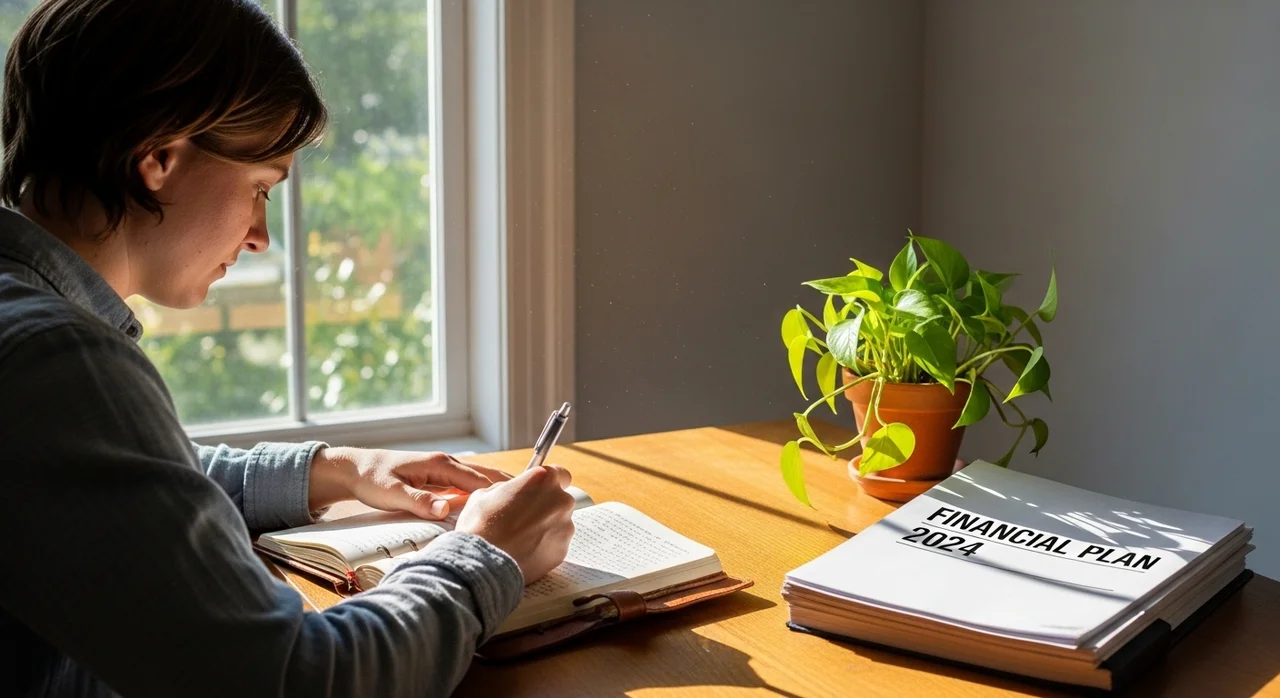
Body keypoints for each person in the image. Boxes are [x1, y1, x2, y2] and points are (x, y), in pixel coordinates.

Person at [0, 1, 577, 696]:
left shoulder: (31, 342)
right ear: (158, 156)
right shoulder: (53, 362)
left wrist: (334, 470)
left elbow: (110, 486)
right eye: (260, 187)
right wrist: (486, 555)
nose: (259, 238)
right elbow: (295, 680)